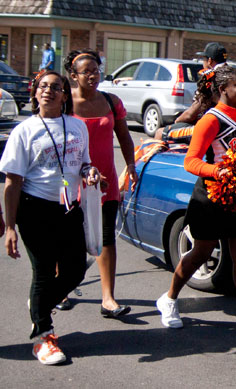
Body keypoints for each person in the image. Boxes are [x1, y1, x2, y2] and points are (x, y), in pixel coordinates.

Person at [155, 64, 236, 340]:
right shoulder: (210, 120)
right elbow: (191, 161)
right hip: (212, 197)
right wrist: (217, 171)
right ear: (223, 89)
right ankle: (169, 298)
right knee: (201, 253)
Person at [1, 70, 101, 365]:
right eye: (43, 87)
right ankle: (43, 338)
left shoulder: (77, 126)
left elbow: (84, 163)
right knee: (43, 272)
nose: (49, 91)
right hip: (35, 210)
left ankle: (40, 304)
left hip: (69, 208)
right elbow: (12, 182)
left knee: (75, 271)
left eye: (56, 87)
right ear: (34, 93)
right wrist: (10, 227)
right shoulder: (24, 131)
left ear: (64, 94)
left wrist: (90, 172)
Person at [64, 50, 138, 319]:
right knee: (69, 237)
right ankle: (62, 288)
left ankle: (108, 298)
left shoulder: (111, 101)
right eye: (87, 71)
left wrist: (130, 164)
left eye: (96, 70)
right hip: (71, 181)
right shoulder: (64, 103)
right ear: (74, 76)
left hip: (104, 180)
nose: (94, 75)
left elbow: (125, 136)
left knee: (106, 237)